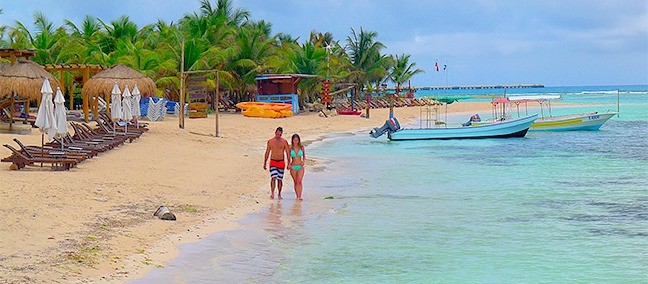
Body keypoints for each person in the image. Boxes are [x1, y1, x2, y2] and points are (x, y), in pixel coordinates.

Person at [263, 127, 290, 199]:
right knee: (273, 177)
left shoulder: (284, 142)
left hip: (281, 162)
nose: (278, 136)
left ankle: (279, 194)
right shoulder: (270, 141)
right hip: (273, 161)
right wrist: (265, 162)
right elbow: (267, 152)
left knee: (280, 179)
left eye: (280, 134)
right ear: (275, 133)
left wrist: (289, 163)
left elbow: (288, 152)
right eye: (277, 134)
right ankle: (272, 193)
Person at [289, 133, 306, 200]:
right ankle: (297, 195)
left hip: (300, 166)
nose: (296, 141)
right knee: (295, 182)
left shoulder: (301, 147)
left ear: (299, 140)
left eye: (297, 140)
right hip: (293, 166)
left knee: (299, 181)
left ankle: (300, 196)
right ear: (292, 140)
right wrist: (289, 164)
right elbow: (288, 157)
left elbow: (304, 156)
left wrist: (303, 162)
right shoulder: (290, 148)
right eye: (294, 140)